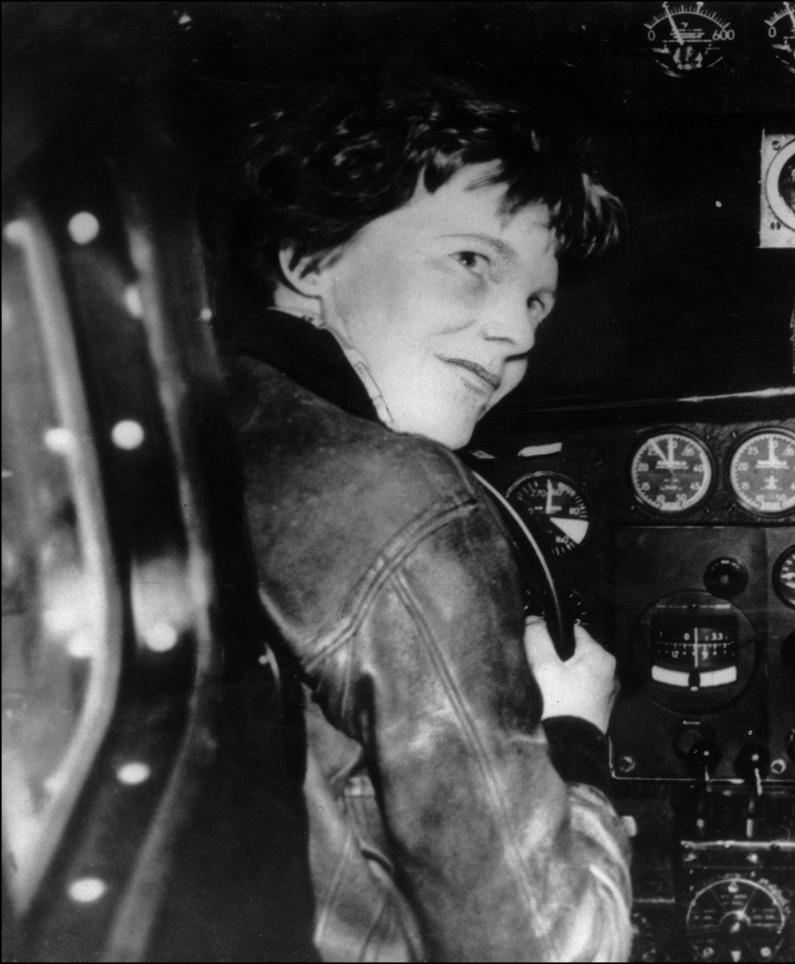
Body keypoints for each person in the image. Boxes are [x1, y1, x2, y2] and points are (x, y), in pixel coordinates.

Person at [215, 82, 632, 961]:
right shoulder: (406, 496)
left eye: (536, 303)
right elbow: (558, 951)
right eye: (474, 261)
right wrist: (574, 737)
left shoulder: (199, 430)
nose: (515, 336)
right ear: (309, 255)